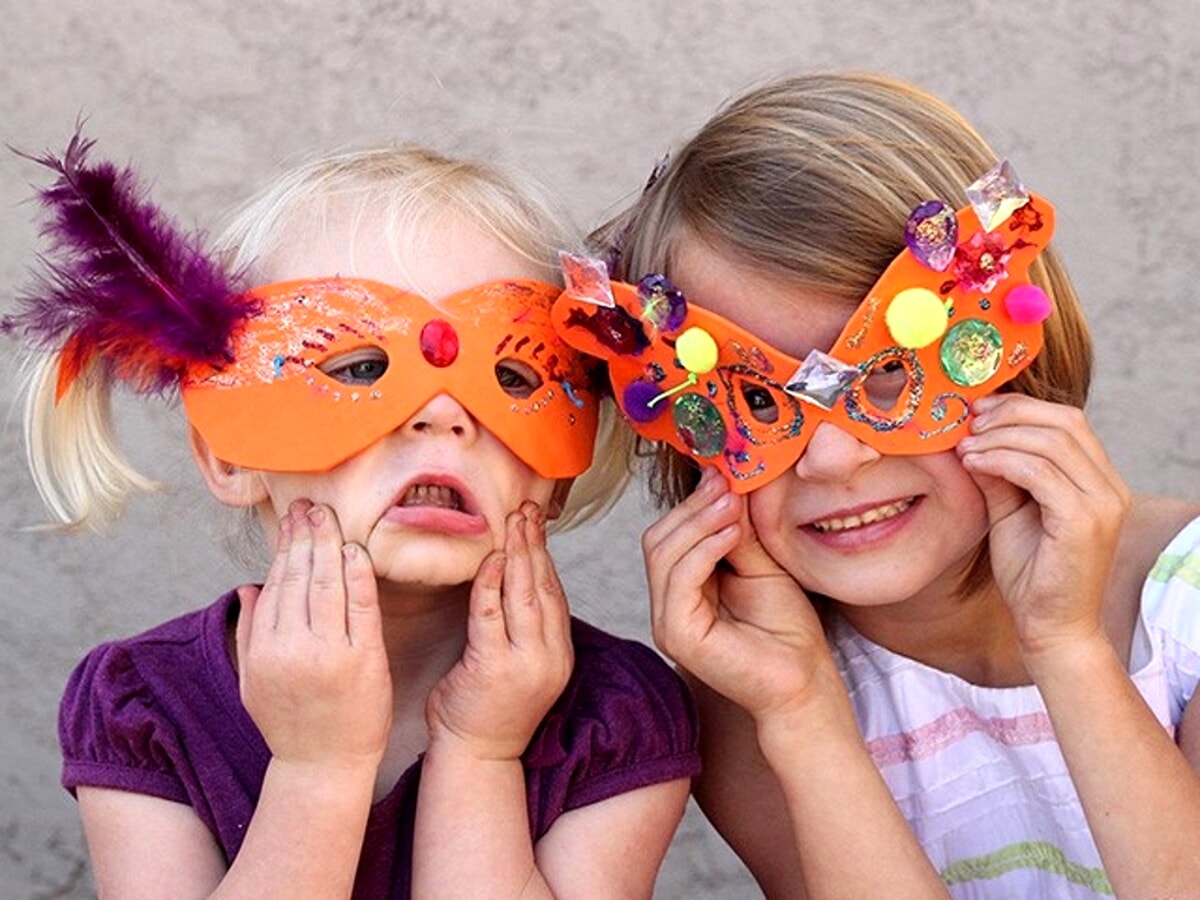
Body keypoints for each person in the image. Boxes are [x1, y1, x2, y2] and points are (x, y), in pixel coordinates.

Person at [553, 72, 1200, 898]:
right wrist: (804, 718)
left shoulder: (1184, 608)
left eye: (888, 374)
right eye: (755, 399)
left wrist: (1068, 650)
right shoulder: (757, 701)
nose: (832, 460)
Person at [7, 135, 699, 898]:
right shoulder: (145, 704)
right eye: (362, 368)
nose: (443, 415)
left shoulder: (618, 715)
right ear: (231, 455)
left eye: (511, 374)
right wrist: (317, 768)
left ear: (551, 480)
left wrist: (482, 754)